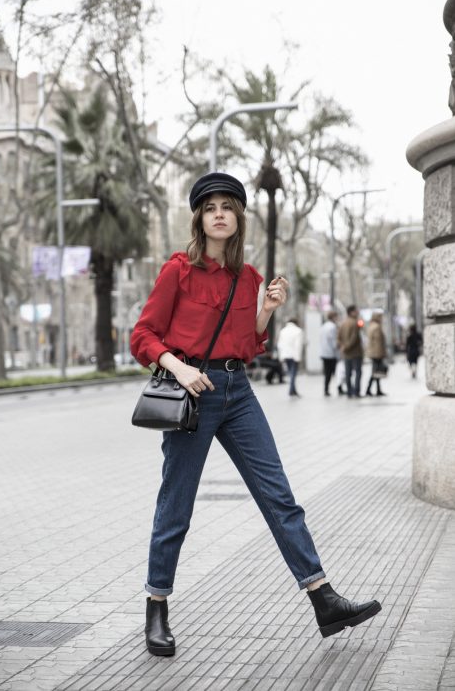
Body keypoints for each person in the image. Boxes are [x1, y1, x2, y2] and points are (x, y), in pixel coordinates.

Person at [130, 172, 381, 657]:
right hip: (193, 393)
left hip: (237, 392)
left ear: (238, 217)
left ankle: (323, 598)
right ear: (200, 218)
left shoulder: (246, 279)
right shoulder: (178, 270)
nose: (219, 212)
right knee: (176, 506)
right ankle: (156, 607)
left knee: (279, 496)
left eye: (227, 205)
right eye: (210, 207)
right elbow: (143, 335)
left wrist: (264, 311)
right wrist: (179, 367)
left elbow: (244, 346)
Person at [337, 305, 364, 398]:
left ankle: (349, 391)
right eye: (356, 311)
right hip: (355, 352)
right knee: (358, 372)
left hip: (346, 353)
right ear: (351, 312)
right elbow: (354, 337)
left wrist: (343, 347)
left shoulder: (343, 323)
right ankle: (356, 391)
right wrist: (347, 347)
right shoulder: (355, 323)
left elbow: (338, 337)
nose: (358, 313)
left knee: (348, 372)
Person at [277, 318, 304, 397]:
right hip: (294, 355)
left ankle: (293, 390)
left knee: (290, 373)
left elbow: (280, 344)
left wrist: (281, 356)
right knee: (293, 374)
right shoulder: (298, 331)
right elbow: (298, 345)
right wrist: (298, 357)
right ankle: (291, 391)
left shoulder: (283, 331)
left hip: (285, 355)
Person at [365, 312, 387, 397]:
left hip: (373, 352)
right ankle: (369, 389)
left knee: (376, 372)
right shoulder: (377, 327)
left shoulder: (371, 326)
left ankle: (377, 389)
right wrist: (382, 353)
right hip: (377, 353)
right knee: (375, 372)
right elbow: (378, 342)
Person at [319, 311, 340, 397]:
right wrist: (337, 347)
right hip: (331, 353)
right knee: (333, 372)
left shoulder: (323, 326)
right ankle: (338, 388)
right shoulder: (333, 327)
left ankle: (326, 388)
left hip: (324, 352)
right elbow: (333, 341)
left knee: (327, 372)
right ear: (333, 317)